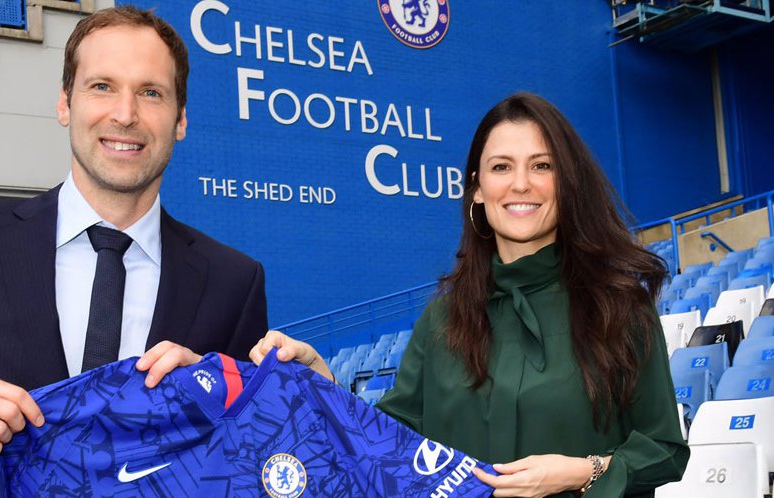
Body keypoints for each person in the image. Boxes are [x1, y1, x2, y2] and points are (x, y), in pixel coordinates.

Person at [0, 6, 267, 496]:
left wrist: (289, 395)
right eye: (102, 86)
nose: (125, 114)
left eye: (151, 93)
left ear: (180, 119)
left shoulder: (234, 281)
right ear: (64, 104)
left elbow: (253, 456)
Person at [249, 93, 689, 497]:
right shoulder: (442, 318)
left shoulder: (619, 307)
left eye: (541, 166)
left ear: (566, 183)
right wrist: (322, 379)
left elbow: (666, 451)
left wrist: (582, 471)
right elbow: (384, 440)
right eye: (501, 167)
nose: (521, 184)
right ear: (477, 188)